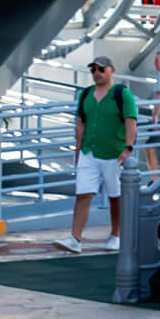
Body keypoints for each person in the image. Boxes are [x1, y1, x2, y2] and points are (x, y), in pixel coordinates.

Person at [55, 56, 136, 254]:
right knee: (83, 193)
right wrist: (77, 148)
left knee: (115, 196)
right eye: (93, 70)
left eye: (101, 69)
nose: (97, 73)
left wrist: (128, 148)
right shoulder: (86, 95)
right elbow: (81, 122)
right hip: (88, 151)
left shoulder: (122, 94)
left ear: (111, 70)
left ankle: (116, 234)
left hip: (113, 153)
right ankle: (75, 238)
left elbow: (130, 121)